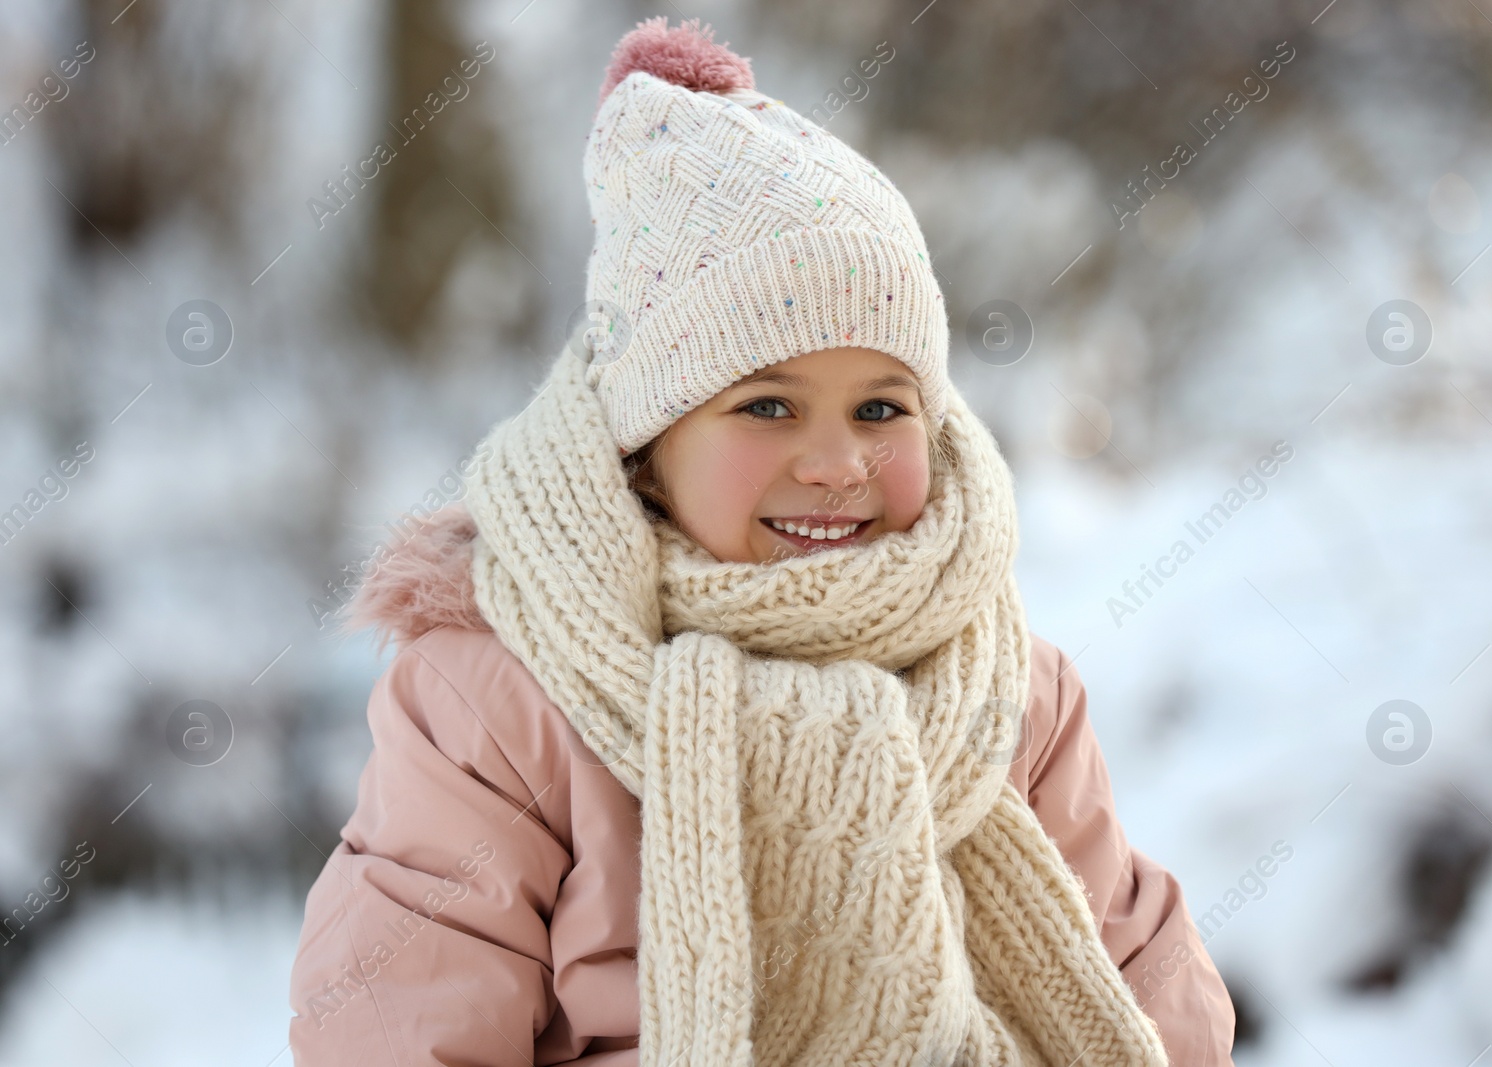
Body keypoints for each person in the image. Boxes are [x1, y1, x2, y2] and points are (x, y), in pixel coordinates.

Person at [287, 16, 1235, 1066]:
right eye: (768, 408)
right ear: (645, 442)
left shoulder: (1004, 685)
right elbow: (399, 1022)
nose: (836, 461)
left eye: (881, 409)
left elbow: (1138, 975)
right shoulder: (505, 699)